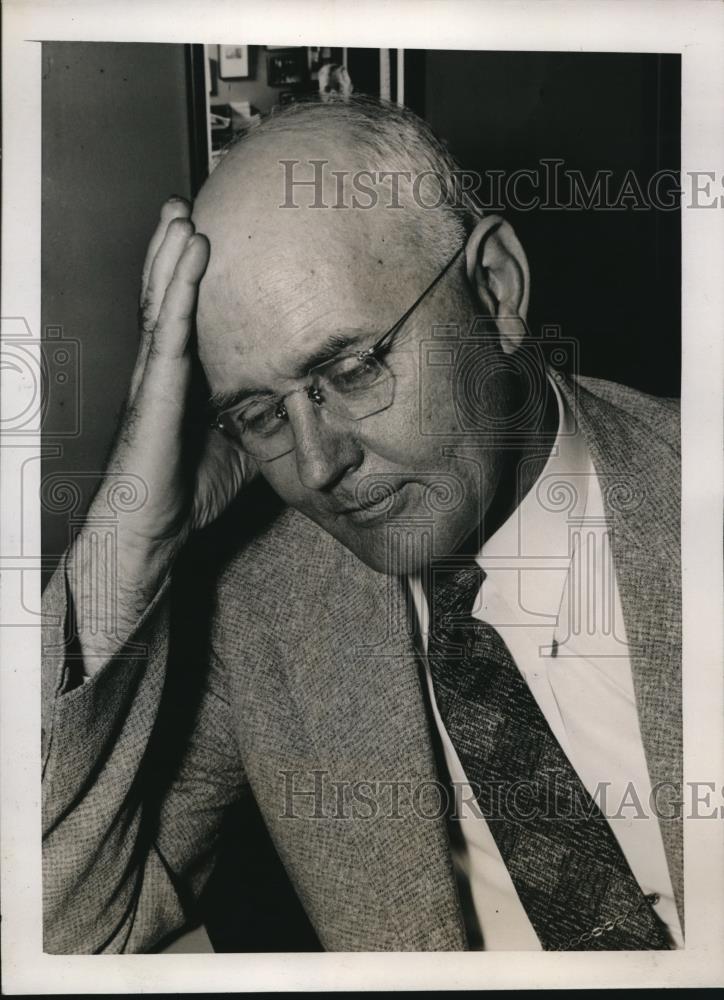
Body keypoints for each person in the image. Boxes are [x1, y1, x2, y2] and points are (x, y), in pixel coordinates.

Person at [41, 97, 682, 953]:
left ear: (494, 290)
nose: (317, 466)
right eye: (261, 414)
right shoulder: (266, 611)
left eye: (350, 369)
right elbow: (67, 930)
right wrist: (130, 542)